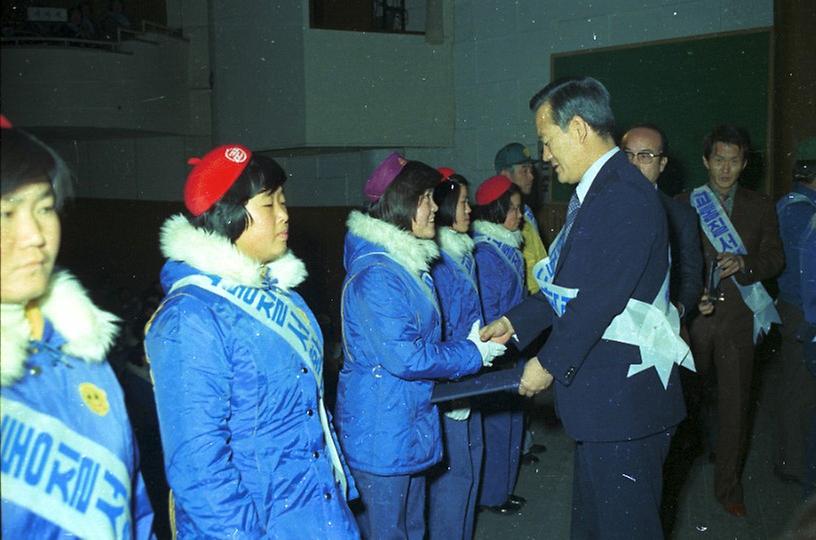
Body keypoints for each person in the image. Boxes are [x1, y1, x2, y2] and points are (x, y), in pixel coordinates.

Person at [481, 77, 691, 539]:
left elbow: (598, 300)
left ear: (578, 128)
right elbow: (568, 286)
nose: (545, 156)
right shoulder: (598, 192)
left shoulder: (621, 196)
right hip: (607, 402)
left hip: (626, 406)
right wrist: (514, 321)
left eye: (547, 141)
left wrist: (547, 364)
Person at [144, 144, 359, 537]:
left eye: (283, 201)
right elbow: (198, 467)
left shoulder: (282, 294)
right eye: (269, 204)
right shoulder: (190, 317)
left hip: (318, 510)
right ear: (229, 214)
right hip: (255, 525)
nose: (285, 214)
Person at [0, 114, 155, 538]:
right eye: (6, 213)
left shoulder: (82, 352)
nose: (34, 235)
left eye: (44, 209)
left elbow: (134, 508)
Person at [334, 153, 504, 539]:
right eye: (427, 197)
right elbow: (406, 356)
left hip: (403, 422)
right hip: (383, 432)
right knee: (391, 530)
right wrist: (471, 352)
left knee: (410, 527)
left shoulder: (402, 264)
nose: (434, 207)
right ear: (403, 203)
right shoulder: (378, 274)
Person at [680, 125, 784, 517]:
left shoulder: (761, 205)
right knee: (684, 403)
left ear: (744, 164)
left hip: (740, 321)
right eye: (719, 159)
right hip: (696, 320)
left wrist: (746, 264)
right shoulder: (685, 202)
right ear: (707, 161)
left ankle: (728, 487)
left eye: (734, 161)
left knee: (735, 406)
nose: (726, 169)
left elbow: (775, 258)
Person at [427, 167, 483, 540]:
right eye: (463, 203)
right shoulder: (443, 261)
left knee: (468, 467)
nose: (469, 210)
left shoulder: (460, 251)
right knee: (456, 475)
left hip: (469, 370)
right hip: (454, 377)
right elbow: (443, 330)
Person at [471, 174, 528, 515]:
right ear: (496, 212)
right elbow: (491, 308)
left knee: (512, 420)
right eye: (515, 210)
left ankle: (503, 489)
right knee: (497, 424)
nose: (520, 216)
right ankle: (493, 495)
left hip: (515, 343)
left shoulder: (507, 243)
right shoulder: (487, 252)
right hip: (501, 347)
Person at [495, 143, 550, 464]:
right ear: (505, 175)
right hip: (522, 307)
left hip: (536, 303)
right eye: (524, 169)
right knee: (516, 381)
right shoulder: (503, 215)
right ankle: (516, 448)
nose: (531, 174)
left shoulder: (526, 211)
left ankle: (523, 442)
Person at [620, 125, 703, 321]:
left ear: (663, 163)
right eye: (628, 155)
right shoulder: (598, 205)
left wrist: (677, 311)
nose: (634, 164)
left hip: (658, 326)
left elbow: (691, 277)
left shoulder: (681, 216)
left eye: (645, 156)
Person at [774, 136, 816, 495]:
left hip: (793, 305)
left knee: (795, 387)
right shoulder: (805, 210)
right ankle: (794, 465)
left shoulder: (790, 203)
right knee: (801, 391)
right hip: (803, 309)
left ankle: (792, 461)